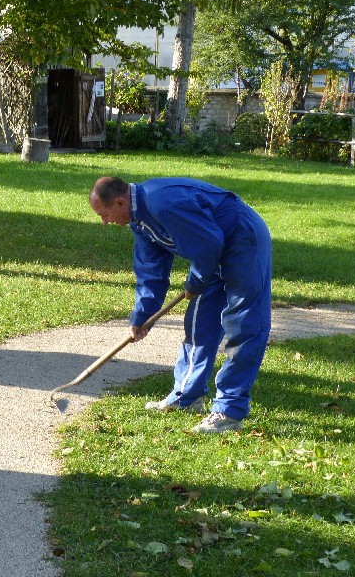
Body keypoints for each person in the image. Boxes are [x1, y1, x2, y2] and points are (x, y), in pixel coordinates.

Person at [89, 176, 272, 433]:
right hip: (211, 251)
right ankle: (186, 397)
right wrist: (142, 316)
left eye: (104, 214)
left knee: (243, 324)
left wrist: (196, 281)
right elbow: (150, 273)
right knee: (199, 322)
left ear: (119, 202)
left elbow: (210, 242)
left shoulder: (162, 202)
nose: (105, 221)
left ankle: (228, 411)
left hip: (243, 240)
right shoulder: (139, 222)